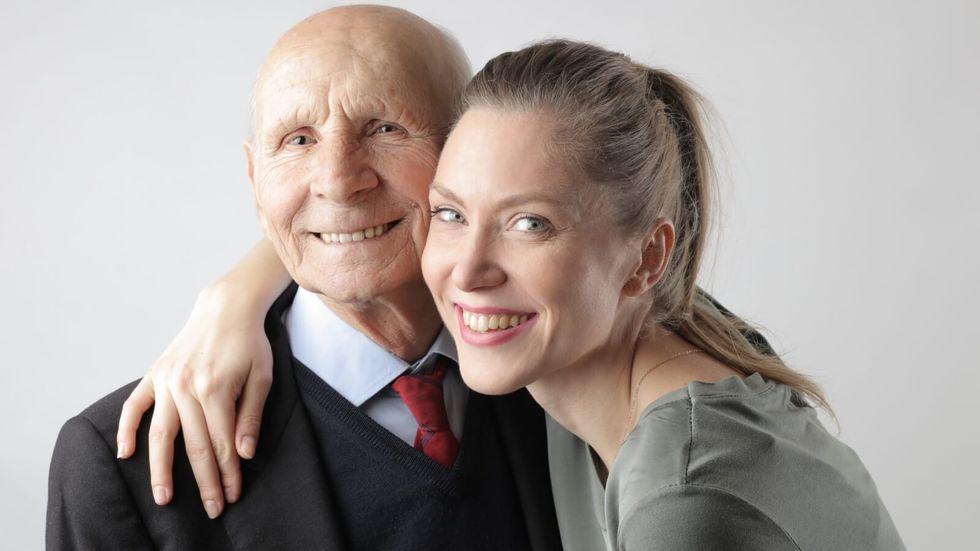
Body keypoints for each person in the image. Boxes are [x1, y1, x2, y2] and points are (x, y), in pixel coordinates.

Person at [117, 38, 908, 550]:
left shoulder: (685, 497)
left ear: (645, 256)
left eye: (531, 224)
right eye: (454, 214)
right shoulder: (674, 342)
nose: (468, 268)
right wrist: (236, 292)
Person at [46, 6, 563, 550]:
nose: (338, 181)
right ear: (254, 179)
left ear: (464, 154)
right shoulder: (121, 462)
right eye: (297, 140)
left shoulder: (566, 372)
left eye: (385, 128)